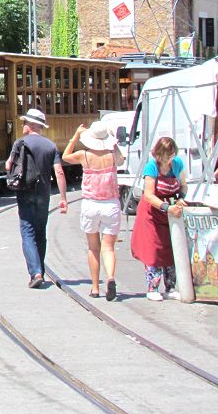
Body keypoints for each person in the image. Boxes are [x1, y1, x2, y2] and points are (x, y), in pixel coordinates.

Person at [5, 108, 68, 289]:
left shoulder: (20, 142)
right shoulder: (51, 146)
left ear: (32, 125)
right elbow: (59, 172)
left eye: (25, 122)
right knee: (40, 231)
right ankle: (39, 268)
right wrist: (63, 197)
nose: (23, 125)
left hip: (25, 191)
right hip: (43, 193)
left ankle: (36, 272)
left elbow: (9, 164)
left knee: (27, 231)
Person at [62, 122, 125, 300]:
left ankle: (95, 287)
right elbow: (122, 159)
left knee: (93, 248)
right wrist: (113, 142)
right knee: (109, 247)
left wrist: (75, 136)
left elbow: (65, 156)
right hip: (111, 204)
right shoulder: (113, 156)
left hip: (91, 205)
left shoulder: (84, 155)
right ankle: (111, 278)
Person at [131, 136, 188, 301]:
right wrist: (165, 207)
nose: (167, 161)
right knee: (153, 250)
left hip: (170, 213)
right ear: (158, 155)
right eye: (164, 157)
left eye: (170, 157)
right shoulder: (151, 167)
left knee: (171, 248)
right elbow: (148, 195)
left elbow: (183, 185)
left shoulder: (177, 164)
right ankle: (153, 287)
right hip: (152, 213)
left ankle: (170, 287)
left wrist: (180, 199)